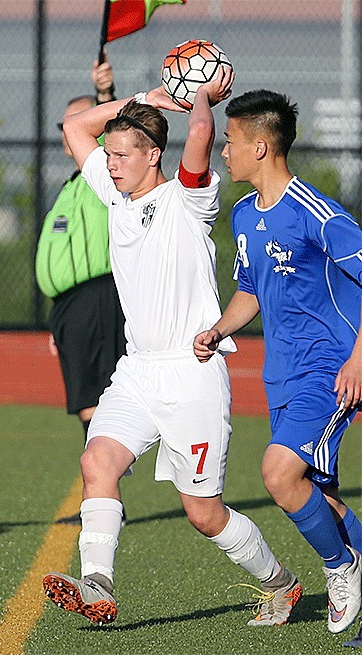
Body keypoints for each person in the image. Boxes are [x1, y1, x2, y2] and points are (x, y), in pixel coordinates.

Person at [42, 70, 303, 628]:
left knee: (203, 515)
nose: (110, 164)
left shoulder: (189, 199)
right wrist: (144, 98)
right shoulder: (114, 197)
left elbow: (202, 138)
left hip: (194, 373)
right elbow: (72, 127)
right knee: (96, 461)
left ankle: (280, 583)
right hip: (136, 371)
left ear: (153, 154)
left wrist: (202, 98)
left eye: (122, 155)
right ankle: (98, 584)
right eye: (108, 154)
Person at [193, 89, 362, 635]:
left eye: (231, 141)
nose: (224, 152)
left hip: (330, 369)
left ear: (261, 147)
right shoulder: (244, 215)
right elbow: (252, 290)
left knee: (278, 472)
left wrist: (358, 359)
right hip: (281, 375)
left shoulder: (319, 213)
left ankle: (341, 568)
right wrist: (218, 328)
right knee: (322, 496)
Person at [35, 56, 126, 523]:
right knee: (86, 403)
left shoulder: (102, 176)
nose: (68, 133)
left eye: (78, 122)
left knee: (95, 401)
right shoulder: (74, 183)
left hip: (95, 298)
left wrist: (107, 95)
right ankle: (103, 492)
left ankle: (101, 496)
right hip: (72, 307)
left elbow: (119, 136)